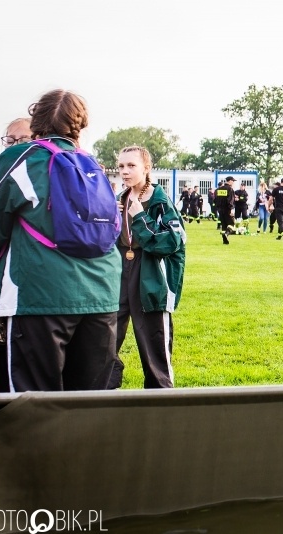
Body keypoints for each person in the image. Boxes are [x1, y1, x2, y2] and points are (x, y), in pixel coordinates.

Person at [0, 89, 120, 391]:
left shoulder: (20, 158)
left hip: (39, 298)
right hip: (102, 297)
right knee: (88, 405)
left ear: (36, 120)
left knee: (34, 406)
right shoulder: (92, 164)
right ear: (80, 124)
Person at [108, 146, 185, 389]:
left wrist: (140, 216)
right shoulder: (119, 199)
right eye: (121, 166)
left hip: (151, 275)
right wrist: (110, 217)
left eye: (131, 166)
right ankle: (103, 393)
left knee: (154, 344)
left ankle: (160, 400)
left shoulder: (160, 201)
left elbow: (172, 243)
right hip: (118, 274)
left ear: (146, 168)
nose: (125, 171)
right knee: (106, 339)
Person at [0, 118, 34, 392]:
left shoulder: (36, 179)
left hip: (13, 293)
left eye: (21, 140)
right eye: (9, 141)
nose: (13, 146)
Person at [215, 176, 236, 244]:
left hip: (220, 210)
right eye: (233, 181)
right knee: (231, 224)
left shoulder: (219, 189)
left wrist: (218, 208)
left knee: (224, 225)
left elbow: (215, 200)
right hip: (227, 209)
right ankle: (226, 234)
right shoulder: (230, 189)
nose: (233, 182)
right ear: (229, 181)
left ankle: (225, 240)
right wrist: (232, 209)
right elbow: (230, 200)